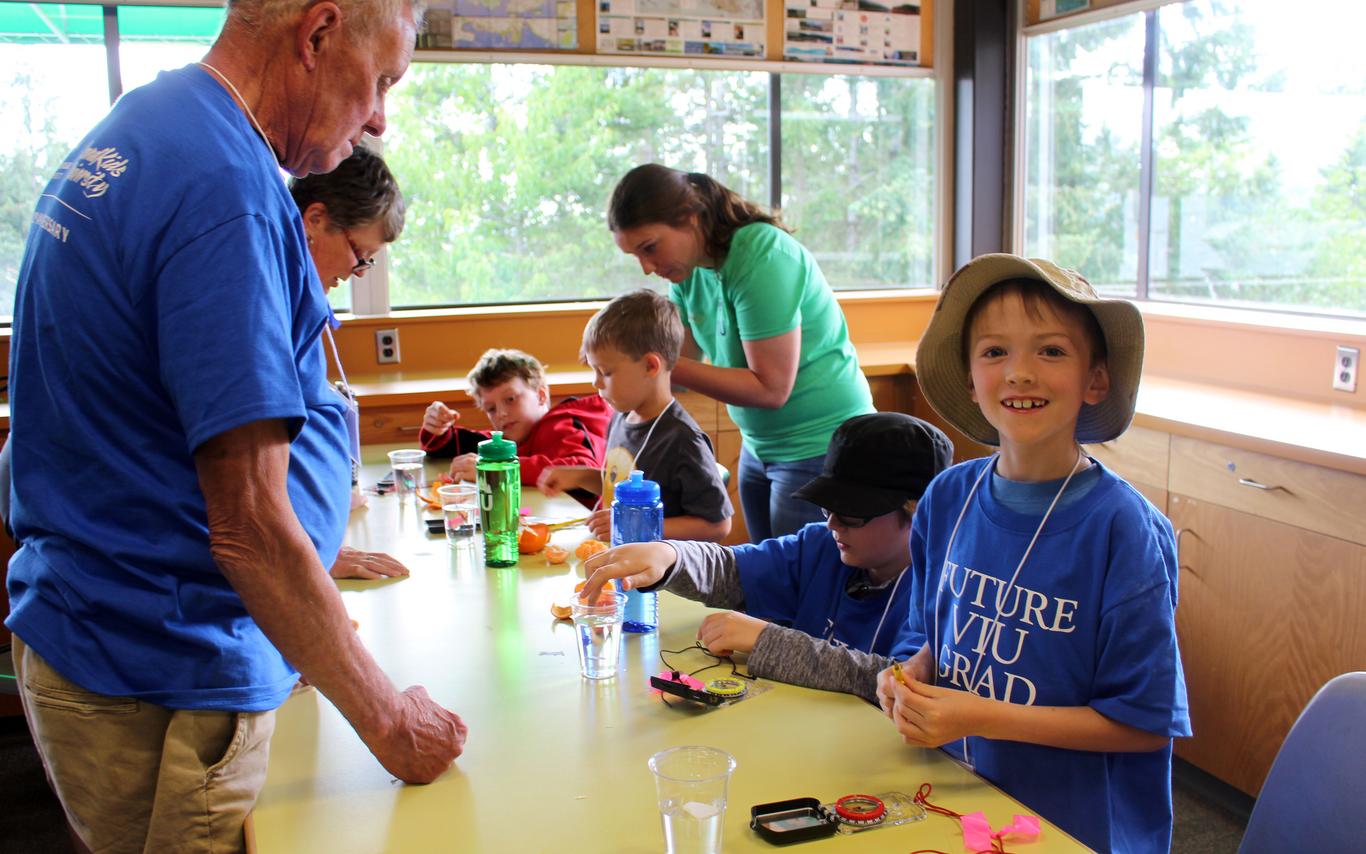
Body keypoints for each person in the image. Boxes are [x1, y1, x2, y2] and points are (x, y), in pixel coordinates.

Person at [4, 3, 467, 852]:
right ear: (317, 34)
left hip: (99, 626)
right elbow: (250, 525)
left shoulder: (154, 122)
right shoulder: (228, 194)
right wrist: (390, 720)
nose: (380, 119)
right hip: (159, 661)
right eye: (383, 80)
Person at [875, 255, 1190, 853]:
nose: (1020, 373)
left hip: (1078, 830)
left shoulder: (1121, 530)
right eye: (995, 352)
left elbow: (1143, 725)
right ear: (970, 378)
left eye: (1050, 351)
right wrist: (911, 676)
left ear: (1094, 379)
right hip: (959, 804)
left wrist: (976, 715)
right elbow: (925, 637)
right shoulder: (947, 498)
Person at [579, 412, 952, 699]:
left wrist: (767, 641)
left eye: (852, 512)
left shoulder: (942, 590)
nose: (834, 523)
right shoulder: (821, 545)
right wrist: (669, 555)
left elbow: (896, 680)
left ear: (918, 511)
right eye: (827, 507)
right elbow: (731, 569)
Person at [608, 164, 875, 543]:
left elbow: (771, 388)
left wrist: (658, 366)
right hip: (760, 445)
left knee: (805, 588)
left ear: (690, 217)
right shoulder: (689, 273)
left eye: (650, 248)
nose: (648, 268)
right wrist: (618, 381)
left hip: (821, 445)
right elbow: (668, 373)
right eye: (635, 256)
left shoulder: (761, 254)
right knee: (771, 584)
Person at [289, 146, 410, 581]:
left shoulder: (304, 300)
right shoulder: (270, 303)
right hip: (298, 564)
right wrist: (306, 555)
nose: (359, 271)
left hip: (313, 554)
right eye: (359, 253)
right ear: (315, 220)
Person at [538, 289, 732, 542]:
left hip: (664, 575)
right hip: (621, 562)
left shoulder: (683, 440)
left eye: (605, 372)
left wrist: (638, 525)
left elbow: (717, 525)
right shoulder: (621, 417)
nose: (596, 383)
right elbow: (620, 485)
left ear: (651, 366)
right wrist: (579, 476)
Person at [420, 348, 611, 488]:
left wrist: (500, 470)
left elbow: (582, 470)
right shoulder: (513, 437)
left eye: (510, 399)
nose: (501, 413)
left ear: (540, 395)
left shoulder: (559, 425)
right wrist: (438, 429)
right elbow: (460, 445)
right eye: (491, 408)